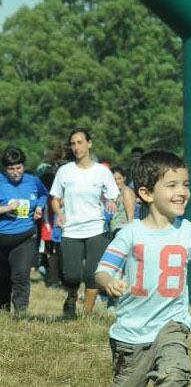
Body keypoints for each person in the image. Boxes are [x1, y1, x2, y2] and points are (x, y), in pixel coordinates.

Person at [95, 150, 191, 386]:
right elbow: (102, 271)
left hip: (172, 326)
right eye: (172, 185)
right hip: (131, 335)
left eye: (185, 185)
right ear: (146, 193)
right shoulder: (130, 233)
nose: (182, 192)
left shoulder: (188, 232)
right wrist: (109, 282)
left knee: (175, 375)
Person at [50, 128, 119, 318]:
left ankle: (86, 315)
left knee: (92, 274)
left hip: (97, 228)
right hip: (71, 229)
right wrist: (59, 213)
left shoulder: (102, 172)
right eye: (73, 143)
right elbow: (55, 198)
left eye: (80, 142)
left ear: (89, 143)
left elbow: (113, 195)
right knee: (71, 275)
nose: (76, 147)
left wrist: (112, 202)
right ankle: (71, 296)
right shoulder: (64, 171)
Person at [0, 147, 48, 313]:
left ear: (23, 166)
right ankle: (3, 310)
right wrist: (6, 209)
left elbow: (43, 195)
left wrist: (40, 207)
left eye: (18, 168)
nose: (15, 172)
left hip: (25, 237)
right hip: (2, 238)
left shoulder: (32, 181)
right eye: (11, 169)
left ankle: (21, 312)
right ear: (4, 169)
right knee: (3, 278)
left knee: (20, 276)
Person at [109, 166, 137, 235]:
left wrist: (129, 234)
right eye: (114, 179)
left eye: (119, 178)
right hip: (117, 230)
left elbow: (130, 216)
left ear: (124, 178)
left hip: (123, 231)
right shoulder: (118, 193)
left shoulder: (126, 191)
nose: (117, 181)